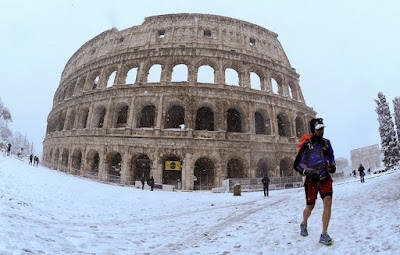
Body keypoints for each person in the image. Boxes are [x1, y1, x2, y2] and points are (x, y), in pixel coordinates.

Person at [293, 118, 336, 245]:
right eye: (318, 129)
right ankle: (304, 222)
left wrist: (332, 165)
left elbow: (331, 157)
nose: (321, 131)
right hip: (312, 179)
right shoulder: (307, 144)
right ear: (313, 130)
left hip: (324, 176)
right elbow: (297, 164)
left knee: (327, 203)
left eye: (322, 129)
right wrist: (307, 172)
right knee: (310, 206)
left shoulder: (326, 143)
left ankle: (324, 233)